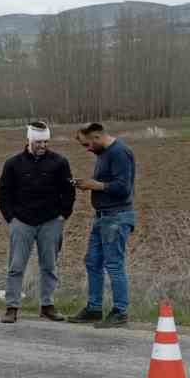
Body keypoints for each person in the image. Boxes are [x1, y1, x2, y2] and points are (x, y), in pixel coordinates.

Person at [0, 121, 75, 323]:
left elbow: (68, 191)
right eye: (39, 142)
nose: (43, 146)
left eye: (46, 142)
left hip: (51, 222)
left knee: (49, 265)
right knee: (16, 266)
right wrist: (11, 218)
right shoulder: (13, 164)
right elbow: (3, 192)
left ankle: (47, 306)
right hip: (21, 222)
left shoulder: (59, 162)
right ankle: (12, 307)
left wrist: (62, 215)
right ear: (29, 140)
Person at [69, 122, 137, 328]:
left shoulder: (119, 152)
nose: (87, 149)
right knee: (92, 262)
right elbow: (108, 183)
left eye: (87, 144)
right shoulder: (103, 154)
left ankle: (120, 311)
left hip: (116, 217)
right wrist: (88, 184)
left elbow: (123, 188)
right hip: (102, 217)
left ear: (97, 137)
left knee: (114, 264)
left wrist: (93, 185)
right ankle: (94, 308)